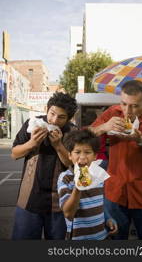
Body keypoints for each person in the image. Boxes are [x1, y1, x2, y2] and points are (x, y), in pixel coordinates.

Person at [90, 80, 142, 240]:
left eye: (134, 106)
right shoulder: (112, 113)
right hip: (115, 192)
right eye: (124, 104)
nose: (127, 111)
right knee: (115, 239)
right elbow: (85, 135)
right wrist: (104, 127)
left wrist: (141, 141)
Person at [11, 92, 78, 240]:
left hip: (60, 201)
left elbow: (71, 164)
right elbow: (14, 154)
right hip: (29, 199)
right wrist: (32, 143)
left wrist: (58, 145)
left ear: (69, 118)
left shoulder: (72, 132)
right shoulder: (32, 123)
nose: (54, 120)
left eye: (61, 117)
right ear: (47, 109)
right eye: (52, 113)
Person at [57, 129, 118, 240]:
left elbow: (100, 202)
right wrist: (78, 186)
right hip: (78, 238)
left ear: (95, 156)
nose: (83, 157)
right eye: (77, 152)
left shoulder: (98, 175)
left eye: (87, 152)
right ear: (69, 155)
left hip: (101, 236)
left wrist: (108, 218)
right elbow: (68, 214)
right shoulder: (65, 178)